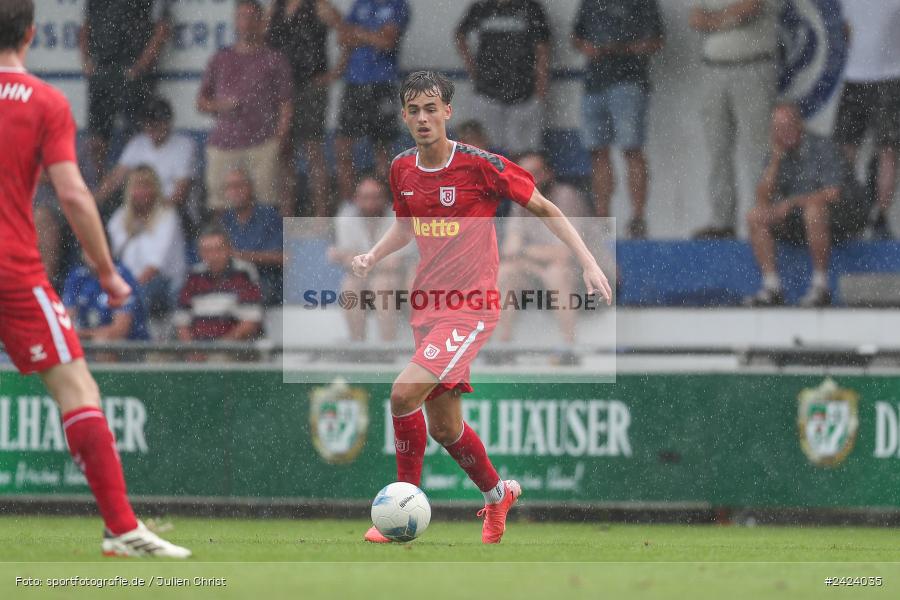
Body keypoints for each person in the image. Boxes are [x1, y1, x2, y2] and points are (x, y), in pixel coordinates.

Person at [351, 71, 612, 544]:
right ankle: (497, 495)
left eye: (432, 108)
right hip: (427, 305)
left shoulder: (481, 165)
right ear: (405, 116)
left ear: (447, 112)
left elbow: (547, 208)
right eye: (414, 110)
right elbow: (406, 228)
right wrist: (375, 254)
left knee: (401, 394)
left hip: (471, 306)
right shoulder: (401, 169)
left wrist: (589, 264)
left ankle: (400, 508)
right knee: (446, 427)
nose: (424, 118)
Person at [0, 0, 189, 557]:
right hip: (13, 269)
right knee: (77, 390)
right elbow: (75, 194)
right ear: (32, 34)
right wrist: (108, 273)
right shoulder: (45, 101)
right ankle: (121, 529)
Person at [746, 104, 869, 307]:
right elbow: (762, 200)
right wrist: (775, 161)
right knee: (755, 216)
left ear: (800, 124)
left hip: (840, 220)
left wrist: (792, 202)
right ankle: (772, 287)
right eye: (777, 128)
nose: (783, 132)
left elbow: (833, 193)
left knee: (814, 210)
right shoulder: (777, 154)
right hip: (800, 221)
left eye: (787, 126)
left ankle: (820, 286)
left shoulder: (823, 147)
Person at [572, 0, 664, 238]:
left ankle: (637, 218)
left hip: (629, 81)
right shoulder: (590, 3)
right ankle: (603, 218)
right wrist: (591, 48)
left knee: (631, 149)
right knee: (597, 151)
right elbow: (576, 37)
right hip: (594, 82)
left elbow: (656, 41)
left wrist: (622, 48)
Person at [690, 0, 779, 239]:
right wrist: (725, 18)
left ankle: (762, 218)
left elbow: (750, 8)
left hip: (753, 66)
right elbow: (696, 18)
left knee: (759, 150)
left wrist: (714, 20)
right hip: (714, 69)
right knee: (717, 149)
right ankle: (722, 222)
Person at [198, 0, 293, 215]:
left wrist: (279, 138)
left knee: (266, 203)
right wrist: (221, 105)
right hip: (223, 143)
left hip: (263, 144)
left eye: (251, 17)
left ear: (261, 22)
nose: (246, 23)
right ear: (235, 21)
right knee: (220, 204)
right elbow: (201, 102)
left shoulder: (274, 59)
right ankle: (221, 248)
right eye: (241, 17)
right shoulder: (220, 59)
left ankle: (265, 248)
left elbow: (285, 104)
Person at [496, 152, 592, 361]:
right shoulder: (520, 200)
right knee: (506, 271)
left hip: (588, 278)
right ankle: (503, 347)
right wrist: (533, 261)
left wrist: (525, 253)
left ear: (549, 173)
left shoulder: (566, 197)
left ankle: (569, 348)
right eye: (524, 174)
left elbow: (566, 254)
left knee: (558, 273)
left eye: (536, 173)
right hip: (540, 271)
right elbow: (509, 251)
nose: (531, 179)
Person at [266, 0, 343, 217]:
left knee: (313, 151)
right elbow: (262, 42)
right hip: (280, 89)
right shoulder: (275, 8)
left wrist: (335, 72)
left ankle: (320, 215)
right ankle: (286, 216)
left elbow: (346, 34)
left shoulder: (318, 6)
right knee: (284, 153)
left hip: (310, 85)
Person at [79, 0, 171, 180]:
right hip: (102, 70)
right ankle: (102, 191)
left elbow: (162, 28)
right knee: (97, 140)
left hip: (132, 73)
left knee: (136, 136)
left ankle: (137, 186)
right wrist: (87, 61)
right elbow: (85, 25)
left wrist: (140, 66)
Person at [834, 0, 900, 238]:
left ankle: (880, 216)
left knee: (888, 150)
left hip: (890, 76)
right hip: (854, 76)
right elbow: (841, 29)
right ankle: (843, 215)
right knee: (845, 150)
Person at [333, 0, 410, 203]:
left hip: (382, 84)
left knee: (382, 150)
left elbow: (387, 41)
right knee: (343, 147)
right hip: (354, 83)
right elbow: (341, 36)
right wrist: (371, 35)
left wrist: (357, 33)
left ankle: (382, 206)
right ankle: (348, 206)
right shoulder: (360, 4)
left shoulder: (397, 5)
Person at [455, 0, 550, 156]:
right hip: (487, 93)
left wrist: (541, 88)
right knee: (487, 150)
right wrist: (472, 67)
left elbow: (543, 48)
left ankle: (517, 180)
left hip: (523, 92)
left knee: (523, 153)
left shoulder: (531, 8)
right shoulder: (481, 8)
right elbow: (460, 35)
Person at [328, 175, 406, 341]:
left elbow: (396, 263)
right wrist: (374, 261)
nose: (370, 203)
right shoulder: (345, 219)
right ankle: (358, 348)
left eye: (375, 197)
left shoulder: (400, 217)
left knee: (382, 284)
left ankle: (388, 348)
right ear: (356, 199)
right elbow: (341, 256)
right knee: (349, 286)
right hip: (362, 278)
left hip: (401, 282)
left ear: (385, 199)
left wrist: (357, 259)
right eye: (365, 197)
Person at [93, 97, 196, 217]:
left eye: (157, 122)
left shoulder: (184, 145)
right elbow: (115, 179)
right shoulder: (138, 143)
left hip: (172, 212)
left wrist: (149, 215)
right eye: (148, 123)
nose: (152, 127)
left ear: (168, 122)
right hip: (139, 211)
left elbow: (180, 194)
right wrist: (93, 201)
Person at [106, 166, 187, 316]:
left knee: (146, 292)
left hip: (162, 283)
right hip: (126, 281)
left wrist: (128, 290)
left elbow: (154, 267)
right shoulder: (120, 216)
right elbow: (107, 252)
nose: (141, 192)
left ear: (155, 189)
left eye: (146, 186)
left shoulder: (168, 216)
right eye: (137, 187)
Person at [175, 226, 264, 342]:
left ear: (229, 249)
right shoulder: (194, 275)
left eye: (218, 249)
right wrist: (192, 349)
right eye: (207, 251)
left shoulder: (244, 272)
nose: (213, 256)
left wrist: (217, 347)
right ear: (200, 253)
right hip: (198, 348)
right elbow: (182, 322)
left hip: (233, 349)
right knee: (156, 357)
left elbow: (250, 323)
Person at [220, 168, 285, 306]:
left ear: (250, 188)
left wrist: (241, 256)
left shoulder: (269, 215)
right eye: (230, 187)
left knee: (246, 297)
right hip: (232, 280)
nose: (235, 191)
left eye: (239, 185)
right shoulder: (225, 220)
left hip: (266, 280)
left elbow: (283, 257)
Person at [63, 254, 150, 343]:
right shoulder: (77, 275)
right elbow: (66, 320)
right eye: (86, 248)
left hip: (131, 347)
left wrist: (82, 334)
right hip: (88, 340)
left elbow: (120, 329)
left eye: (94, 247)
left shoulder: (121, 276)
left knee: (102, 342)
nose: (90, 253)